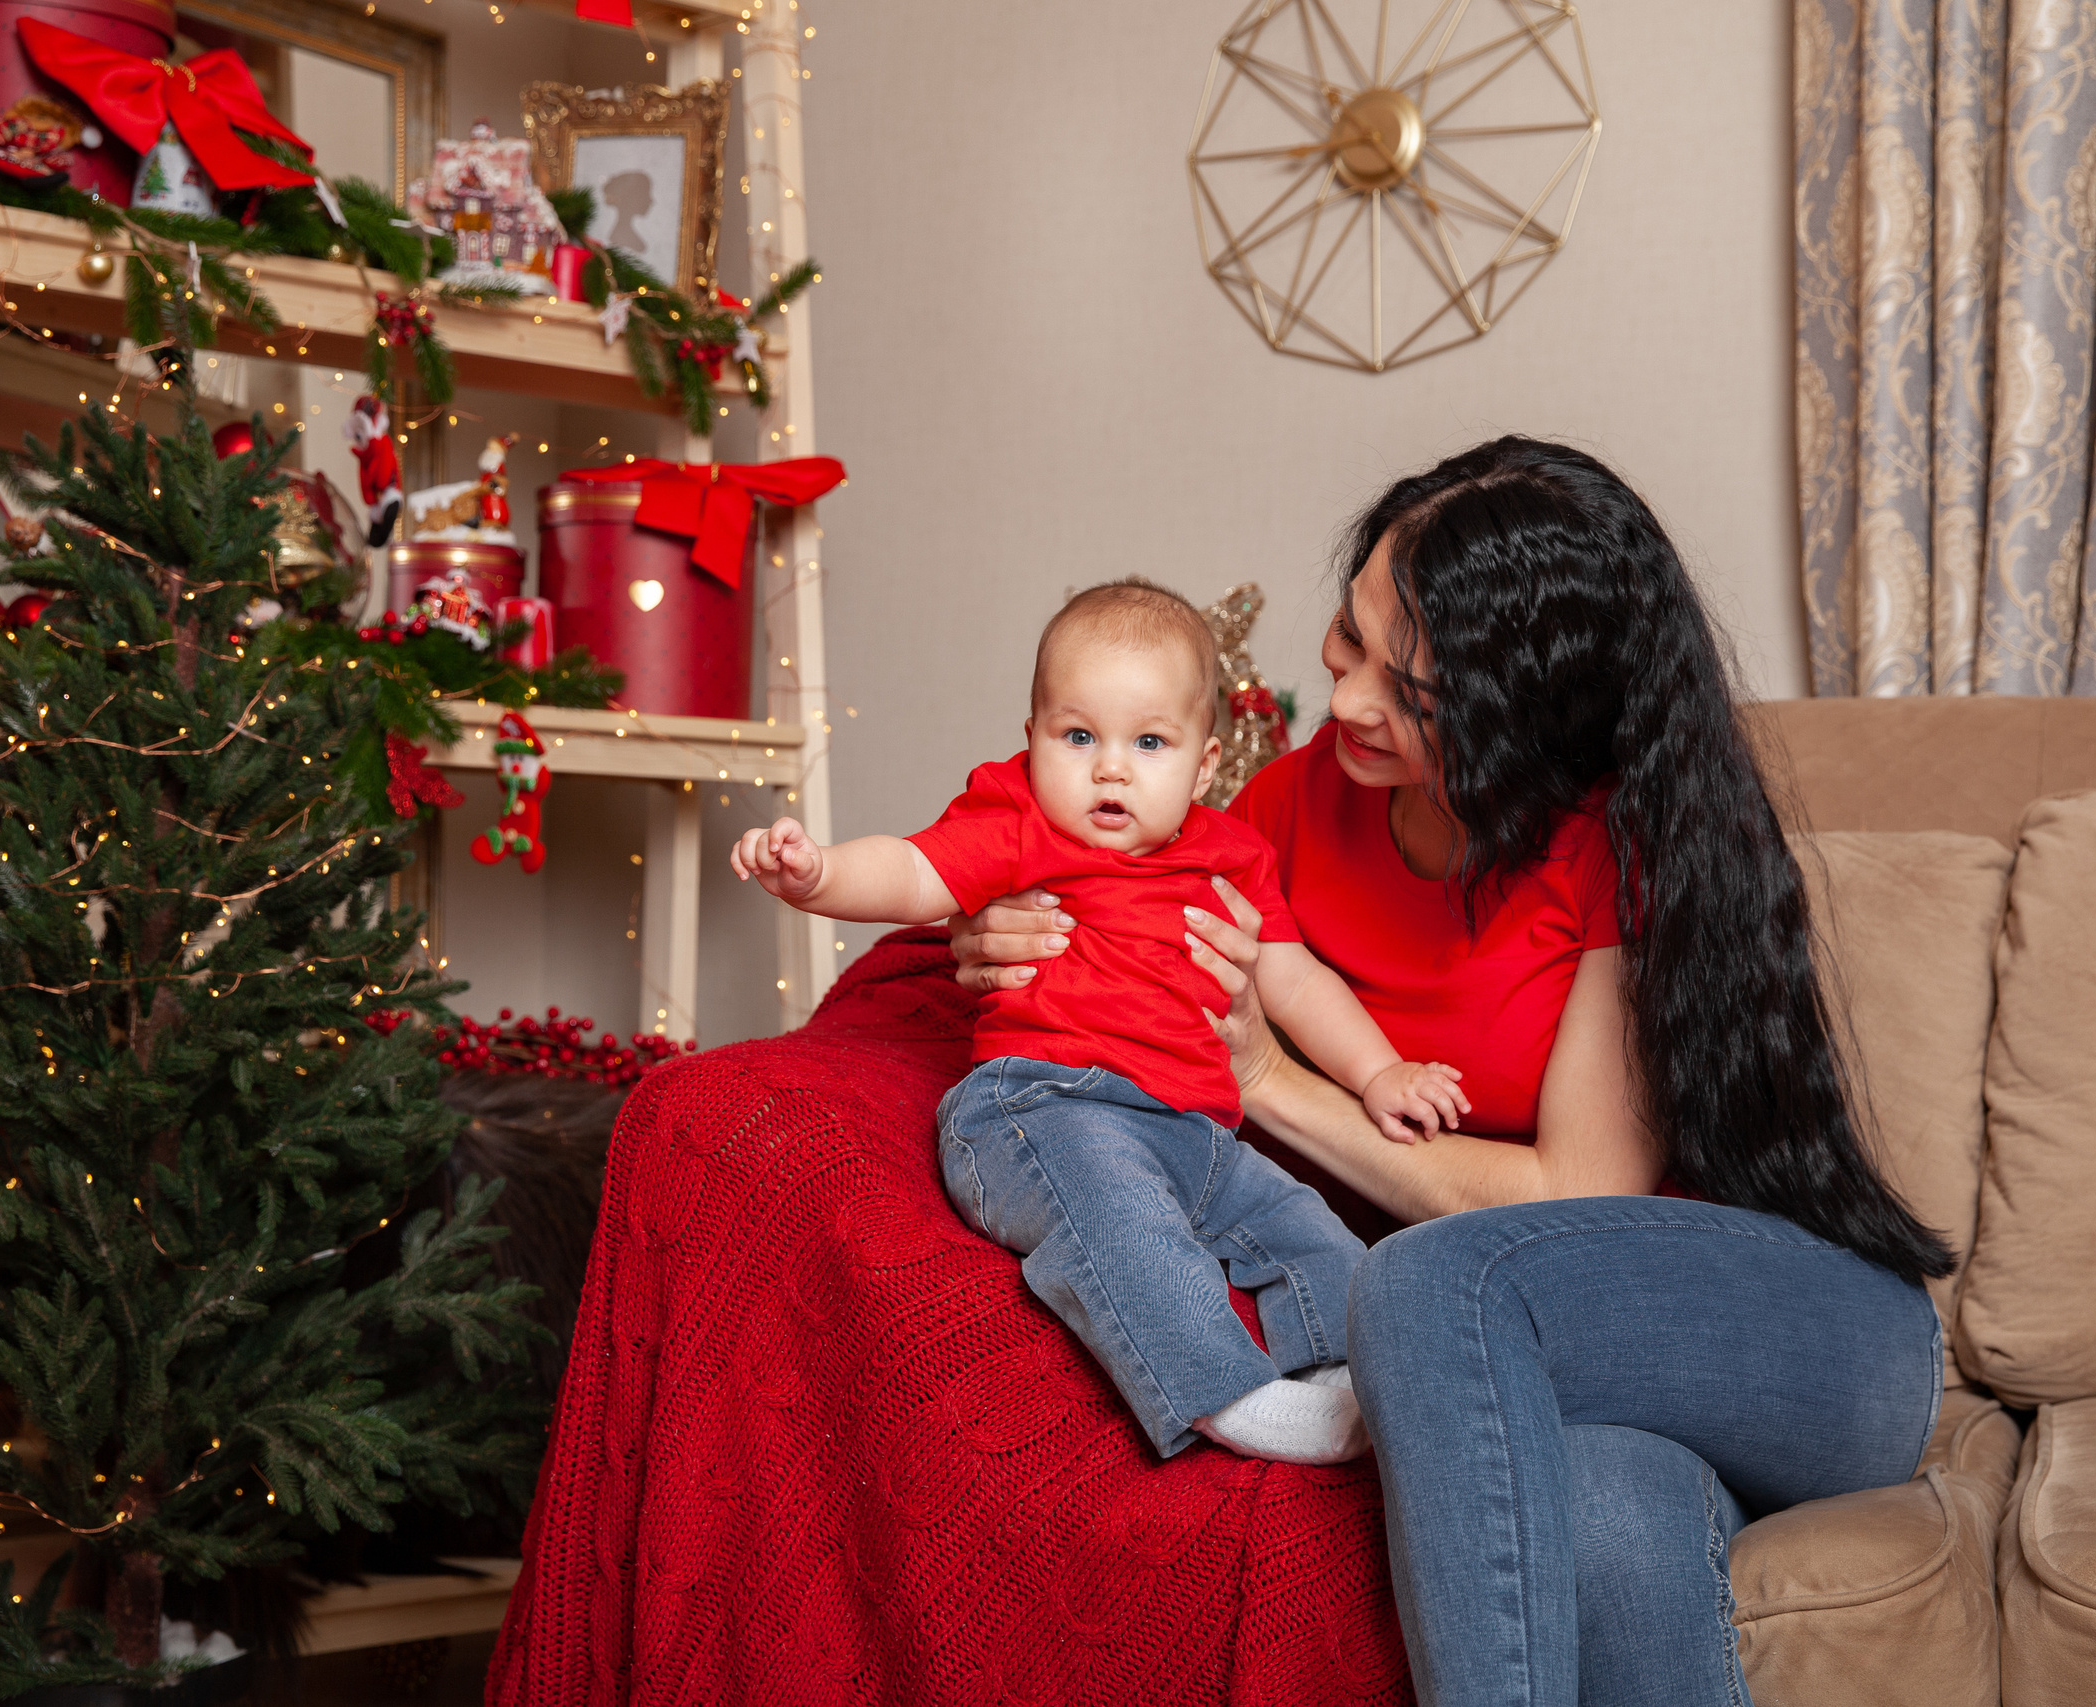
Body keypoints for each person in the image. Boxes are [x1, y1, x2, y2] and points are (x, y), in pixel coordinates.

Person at [950, 439, 1953, 1705]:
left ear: (1526, 720)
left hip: (1803, 1343)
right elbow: (1071, 916)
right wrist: (1001, 935)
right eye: (1347, 636)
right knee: (1606, 1510)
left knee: (1419, 1290)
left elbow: (1574, 1194)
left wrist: (1269, 1084)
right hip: (1555, 1378)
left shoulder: (1627, 847)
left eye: (1413, 691)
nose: (1351, 699)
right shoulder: (1287, 814)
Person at [732, 578, 1468, 1467]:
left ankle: (1350, 1375)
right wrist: (817, 875)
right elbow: (914, 869)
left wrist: (1381, 1072)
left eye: (1149, 742)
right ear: (1033, 739)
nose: (1110, 768)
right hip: (1042, 1105)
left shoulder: (1231, 854)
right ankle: (1222, 1391)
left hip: (1196, 1129)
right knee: (1119, 1217)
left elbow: (1295, 979)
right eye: (1078, 737)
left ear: (1203, 767)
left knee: (1307, 1223)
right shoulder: (1021, 823)